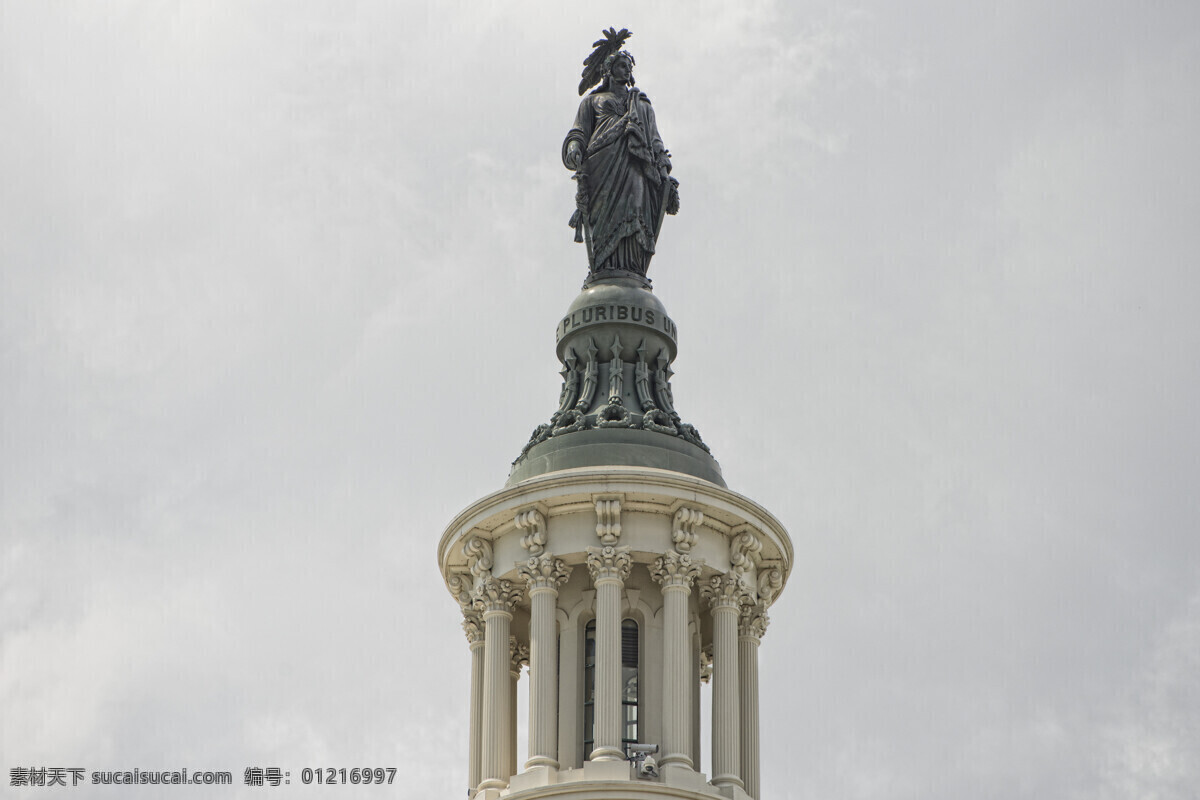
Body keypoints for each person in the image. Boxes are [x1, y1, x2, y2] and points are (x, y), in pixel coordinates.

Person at [564, 50, 678, 277]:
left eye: (629, 66)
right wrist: (574, 148)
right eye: (622, 65)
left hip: (634, 163)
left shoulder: (641, 105)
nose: (627, 70)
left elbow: (655, 142)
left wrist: (664, 173)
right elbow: (578, 133)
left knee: (635, 205)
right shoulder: (592, 102)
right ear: (608, 70)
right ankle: (605, 268)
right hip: (601, 166)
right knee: (604, 213)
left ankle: (631, 269)